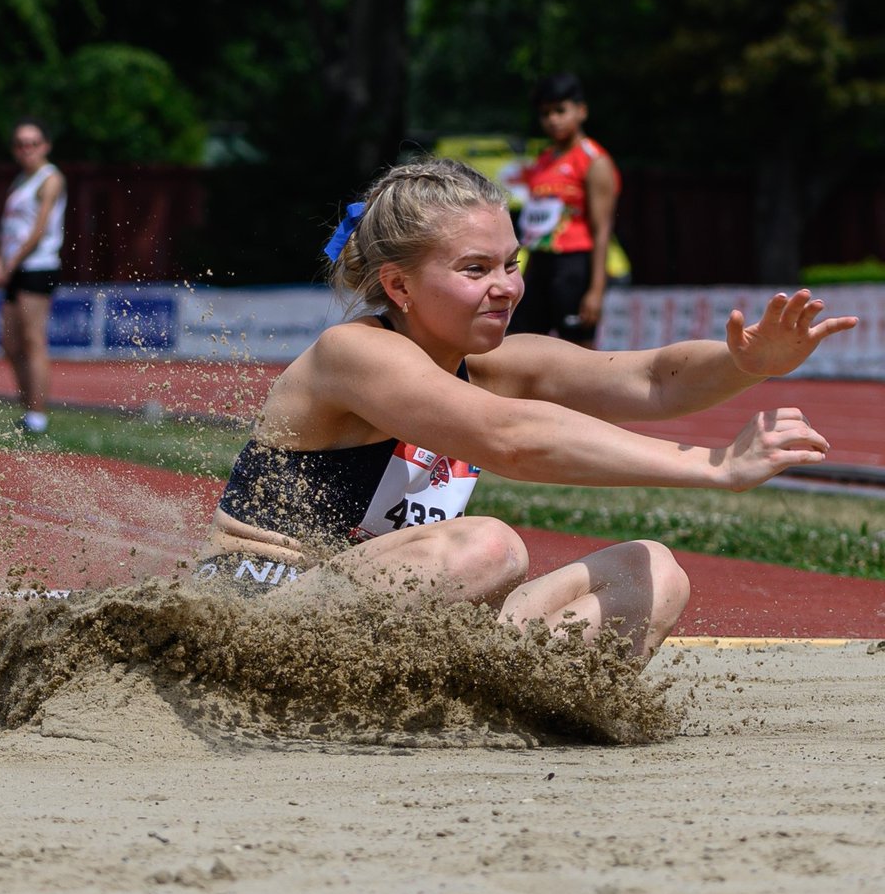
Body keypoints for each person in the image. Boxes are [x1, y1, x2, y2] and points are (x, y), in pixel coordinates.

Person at [198, 158, 856, 664]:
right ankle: (316, 690)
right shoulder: (352, 354)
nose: (506, 287)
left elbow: (653, 379)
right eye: (476, 269)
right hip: (259, 614)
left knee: (653, 572)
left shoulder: (497, 364)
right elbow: (508, 438)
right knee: (487, 549)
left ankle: (483, 704)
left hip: (383, 617)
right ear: (398, 285)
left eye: (511, 264)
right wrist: (713, 465)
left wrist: (747, 362)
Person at [508, 72, 620, 346]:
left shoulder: (594, 161)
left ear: (581, 111)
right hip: (540, 261)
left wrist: (596, 290)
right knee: (520, 342)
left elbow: (602, 229)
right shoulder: (543, 160)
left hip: (574, 265)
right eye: (545, 113)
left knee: (579, 348)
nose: (553, 119)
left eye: (560, 111)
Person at [0, 118, 67, 435]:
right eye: (20, 144)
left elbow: (39, 229)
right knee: (9, 343)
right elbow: (8, 226)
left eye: (33, 143)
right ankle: (27, 405)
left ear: (45, 146)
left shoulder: (50, 179)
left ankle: (37, 415)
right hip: (15, 266)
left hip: (37, 266)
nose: (27, 149)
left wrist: (13, 261)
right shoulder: (20, 180)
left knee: (33, 339)